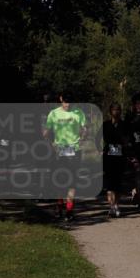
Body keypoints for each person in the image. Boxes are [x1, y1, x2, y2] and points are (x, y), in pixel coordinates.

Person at [43, 92, 86, 223]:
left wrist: (82, 139)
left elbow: (84, 129)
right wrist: (52, 144)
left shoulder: (79, 113)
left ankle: (69, 210)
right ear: (61, 99)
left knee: (72, 181)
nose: (67, 103)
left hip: (74, 151)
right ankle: (59, 204)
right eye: (65, 100)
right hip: (59, 151)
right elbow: (46, 132)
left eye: (69, 101)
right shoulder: (54, 113)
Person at [102, 103, 130, 218]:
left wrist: (126, 143)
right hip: (109, 156)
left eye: (118, 110)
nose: (116, 112)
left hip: (120, 156)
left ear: (120, 111)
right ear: (110, 112)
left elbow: (128, 139)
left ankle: (116, 205)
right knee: (110, 183)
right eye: (114, 110)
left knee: (118, 182)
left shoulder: (125, 125)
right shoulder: (105, 125)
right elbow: (97, 138)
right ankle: (111, 206)